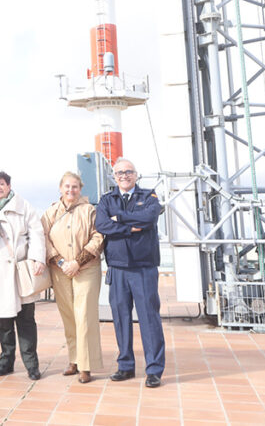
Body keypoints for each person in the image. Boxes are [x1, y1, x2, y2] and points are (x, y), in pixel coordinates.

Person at [95, 158, 165, 388]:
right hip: (117, 268)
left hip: (143, 267)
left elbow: (150, 217)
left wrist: (120, 219)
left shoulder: (149, 196)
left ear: (136, 175)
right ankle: (125, 365)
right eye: (119, 173)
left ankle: (154, 369)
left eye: (128, 172)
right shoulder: (107, 200)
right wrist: (130, 227)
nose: (124, 176)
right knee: (121, 319)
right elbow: (102, 225)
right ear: (113, 176)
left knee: (149, 318)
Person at [0, 170, 46, 380]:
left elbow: (37, 233)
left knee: (26, 319)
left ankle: (31, 364)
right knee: (4, 321)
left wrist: (38, 258)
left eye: (1, 184)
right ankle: (6, 361)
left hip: (21, 270)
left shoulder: (24, 206)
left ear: (8, 185)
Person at [42, 172, 104, 383]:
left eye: (75, 187)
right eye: (67, 186)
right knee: (68, 315)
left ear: (80, 188)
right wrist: (60, 262)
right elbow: (44, 239)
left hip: (87, 269)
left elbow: (98, 236)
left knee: (85, 315)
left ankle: (86, 366)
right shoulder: (50, 212)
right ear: (60, 188)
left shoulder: (90, 211)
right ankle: (74, 359)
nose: (71, 190)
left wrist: (78, 261)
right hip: (60, 271)